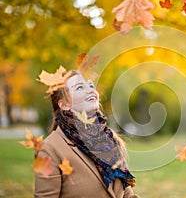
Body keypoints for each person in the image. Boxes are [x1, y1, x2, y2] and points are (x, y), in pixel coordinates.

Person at [34, 68, 140, 198]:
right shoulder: (49, 149)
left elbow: (126, 194)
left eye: (91, 85)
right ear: (64, 105)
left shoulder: (108, 140)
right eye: (79, 87)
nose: (91, 90)